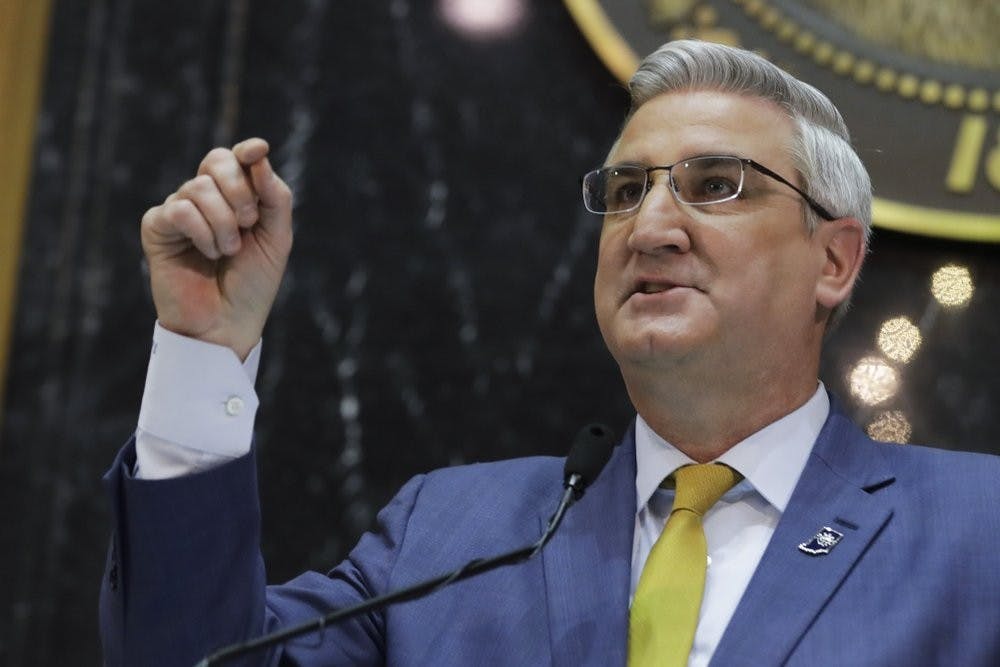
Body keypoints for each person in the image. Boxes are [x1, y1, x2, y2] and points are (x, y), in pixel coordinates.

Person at [100, 40, 1000, 666]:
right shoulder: (450, 532)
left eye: (715, 185)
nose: (650, 227)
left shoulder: (976, 530)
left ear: (835, 259)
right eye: (625, 190)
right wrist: (204, 349)